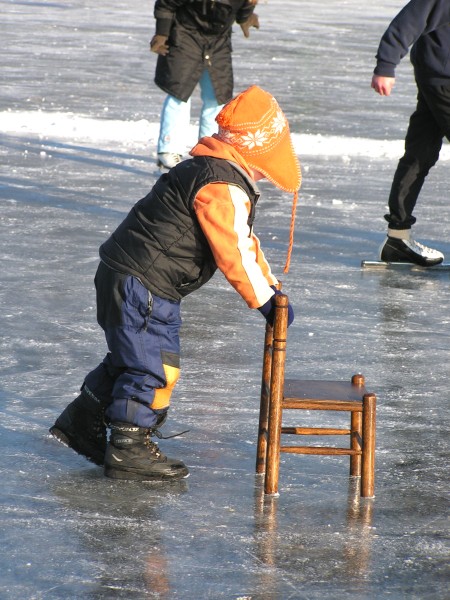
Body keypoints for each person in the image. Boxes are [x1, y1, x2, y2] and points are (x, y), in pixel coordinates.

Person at [50, 85, 302, 482]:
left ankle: (83, 421)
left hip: (132, 275)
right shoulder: (221, 185)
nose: (264, 174)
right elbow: (233, 251)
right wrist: (265, 302)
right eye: (263, 163)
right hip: (144, 283)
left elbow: (244, 243)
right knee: (154, 368)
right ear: (250, 151)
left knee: (129, 359)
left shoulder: (206, 167)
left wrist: (272, 289)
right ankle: (129, 447)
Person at [371, 0, 449, 266]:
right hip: (443, 80)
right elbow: (409, 20)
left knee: (419, 154)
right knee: (419, 154)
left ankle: (398, 238)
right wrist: (385, 65)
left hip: (437, 78)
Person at [150, 0, 260, 170]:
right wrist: (162, 33)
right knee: (179, 93)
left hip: (218, 43)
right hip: (185, 36)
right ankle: (169, 149)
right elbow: (166, 4)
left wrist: (247, 14)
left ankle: (209, 152)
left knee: (216, 97)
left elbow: (242, 9)